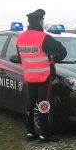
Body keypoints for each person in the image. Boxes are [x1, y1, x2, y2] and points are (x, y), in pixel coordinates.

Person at [16, 9, 67, 142]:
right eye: (42, 20)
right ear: (40, 21)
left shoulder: (20, 38)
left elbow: (21, 57)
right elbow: (62, 51)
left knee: (30, 103)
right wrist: (53, 60)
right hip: (44, 76)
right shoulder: (43, 37)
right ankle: (45, 133)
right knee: (43, 103)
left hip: (29, 76)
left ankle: (30, 132)